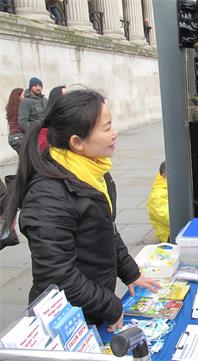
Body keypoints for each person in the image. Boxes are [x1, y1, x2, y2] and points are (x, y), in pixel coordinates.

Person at [2, 89, 158, 330]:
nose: (114, 134)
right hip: (70, 318)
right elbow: (57, 275)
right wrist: (109, 305)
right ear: (77, 142)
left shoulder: (91, 171)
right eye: (106, 129)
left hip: (93, 303)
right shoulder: (47, 197)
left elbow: (106, 229)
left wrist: (131, 273)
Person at [147, 161, 170, 242]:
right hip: (168, 234)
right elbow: (167, 217)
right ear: (164, 175)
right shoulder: (157, 195)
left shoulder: (169, 186)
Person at [5, 88, 24, 154]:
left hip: (12, 138)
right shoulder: (21, 106)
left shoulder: (10, 108)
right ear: (18, 96)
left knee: (23, 159)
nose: (24, 97)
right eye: (23, 95)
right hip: (20, 136)